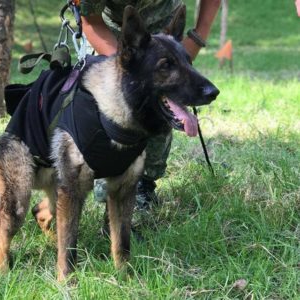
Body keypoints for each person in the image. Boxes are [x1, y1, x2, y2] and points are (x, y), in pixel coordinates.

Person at [79, 0, 221, 214]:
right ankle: (105, 180)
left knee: (160, 106)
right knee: (109, 112)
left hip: (166, 27)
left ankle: (144, 184)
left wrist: (196, 38)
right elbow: (91, 23)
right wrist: (122, 66)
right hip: (110, 32)